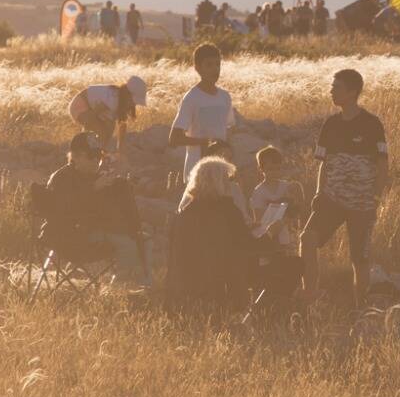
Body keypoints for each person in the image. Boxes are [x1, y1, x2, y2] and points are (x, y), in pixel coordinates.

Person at [300, 68, 389, 308]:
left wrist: (376, 198)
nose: (331, 91)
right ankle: (311, 298)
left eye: (336, 87)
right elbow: (323, 163)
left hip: (362, 202)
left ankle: (362, 308)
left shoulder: (372, 124)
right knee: (307, 239)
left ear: (352, 93)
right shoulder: (330, 124)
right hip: (331, 199)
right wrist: (319, 191)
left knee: (360, 258)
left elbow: (382, 165)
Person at [41, 134, 146, 282]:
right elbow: (65, 210)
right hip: (70, 237)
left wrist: (119, 187)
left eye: (99, 156)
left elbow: (101, 210)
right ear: (76, 157)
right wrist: (94, 188)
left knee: (143, 240)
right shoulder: (62, 178)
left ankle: (140, 286)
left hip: (91, 231)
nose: (97, 161)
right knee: (128, 245)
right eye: (91, 156)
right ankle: (124, 289)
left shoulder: (92, 177)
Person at [167, 156, 257, 308]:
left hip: (186, 280)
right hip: (221, 281)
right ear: (219, 182)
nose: (230, 184)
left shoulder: (185, 212)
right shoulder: (228, 209)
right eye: (227, 180)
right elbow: (246, 243)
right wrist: (268, 232)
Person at [169, 44, 238, 185]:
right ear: (198, 68)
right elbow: (174, 138)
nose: (215, 69)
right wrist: (204, 142)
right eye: (209, 65)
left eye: (218, 65)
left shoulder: (225, 97)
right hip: (197, 171)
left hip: (220, 171)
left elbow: (229, 129)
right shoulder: (191, 98)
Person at [247, 146, 306, 299]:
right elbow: (259, 219)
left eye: (277, 168)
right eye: (270, 168)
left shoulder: (287, 187)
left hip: (287, 231)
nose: (274, 172)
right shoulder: (259, 191)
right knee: (271, 264)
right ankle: (270, 294)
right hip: (270, 233)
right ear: (262, 168)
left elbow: (296, 210)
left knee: (291, 262)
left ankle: (290, 293)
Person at [68, 75, 148, 151]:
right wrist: (89, 133)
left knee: (108, 127)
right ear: (128, 95)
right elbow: (90, 119)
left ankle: (98, 150)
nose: (135, 104)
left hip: (91, 108)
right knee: (102, 131)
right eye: (134, 101)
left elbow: (122, 124)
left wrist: (119, 149)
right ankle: (88, 150)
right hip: (79, 106)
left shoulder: (121, 100)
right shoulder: (113, 100)